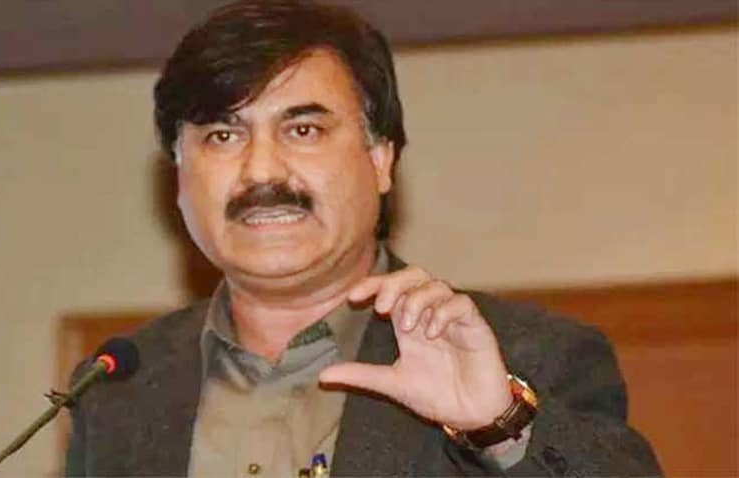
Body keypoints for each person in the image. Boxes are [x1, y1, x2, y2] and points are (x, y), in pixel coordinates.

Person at [65, 1, 661, 476]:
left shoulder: (525, 358)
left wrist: (500, 426)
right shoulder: (118, 386)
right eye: (223, 136)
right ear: (178, 176)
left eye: (303, 129)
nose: (261, 171)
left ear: (380, 160)